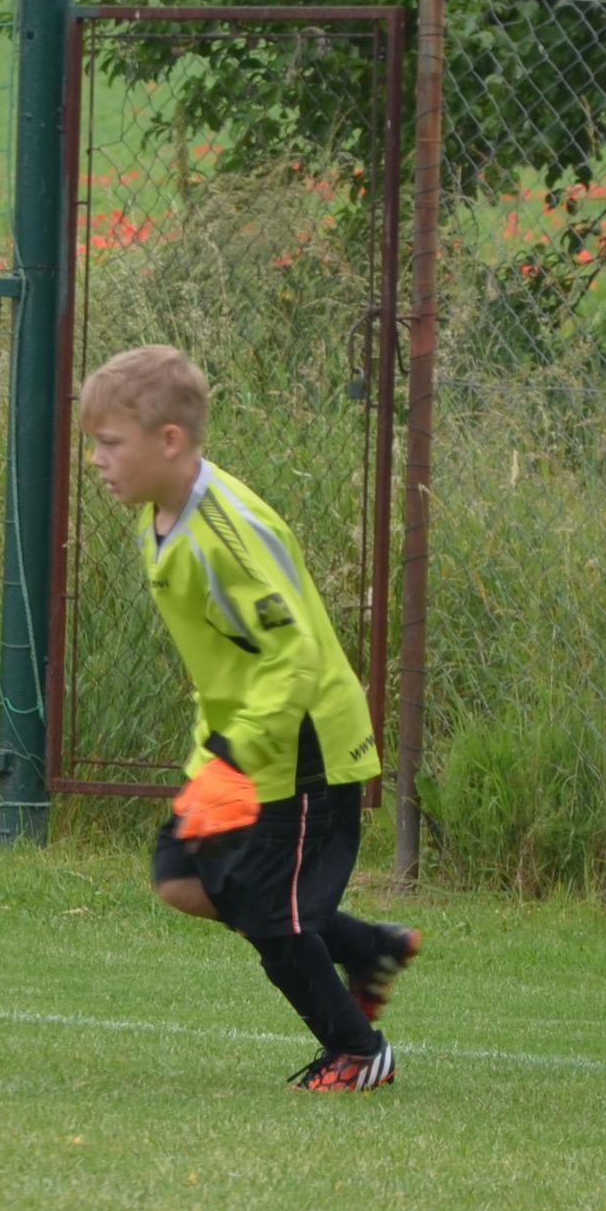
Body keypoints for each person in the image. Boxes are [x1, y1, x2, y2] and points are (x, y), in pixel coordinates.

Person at [77, 344, 421, 1091]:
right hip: (238, 744)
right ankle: (368, 948)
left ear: (169, 440)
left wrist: (238, 756)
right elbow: (231, 656)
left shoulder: (227, 536)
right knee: (181, 877)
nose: (96, 460)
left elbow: (295, 657)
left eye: (109, 443)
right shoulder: (159, 515)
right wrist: (217, 752)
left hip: (301, 745)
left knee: (273, 919)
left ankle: (359, 1051)